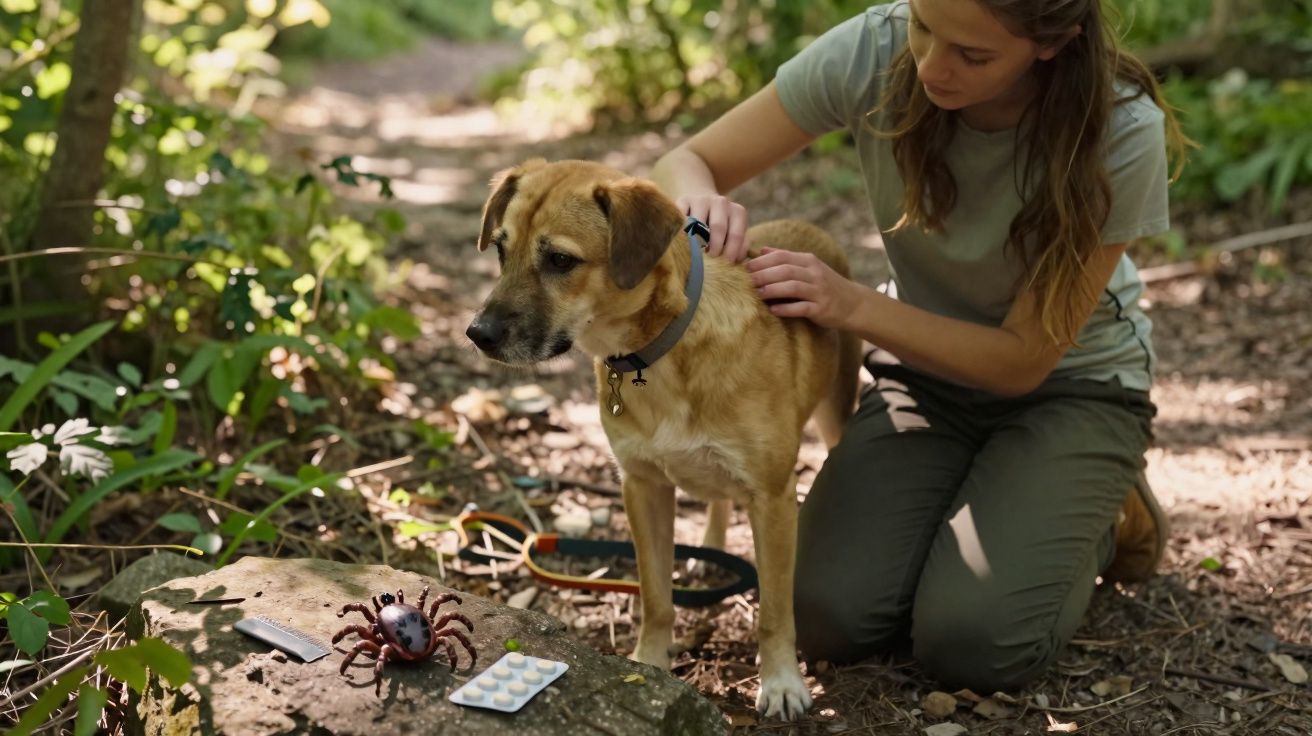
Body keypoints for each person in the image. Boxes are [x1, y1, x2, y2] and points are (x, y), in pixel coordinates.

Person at [650, 0, 1190, 692]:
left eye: (974, 55)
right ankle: (994, 499)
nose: (932, 67)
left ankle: (1100, 505)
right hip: (925, 379)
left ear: (1053, 44)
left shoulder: (1121, 127)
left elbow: (1022, 361)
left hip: (1071, 386)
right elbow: (686, 160)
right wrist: (699, 208)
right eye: (924, 28)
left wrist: (851, 305)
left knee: (975, 643)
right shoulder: (874, 49)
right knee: (820, 617)